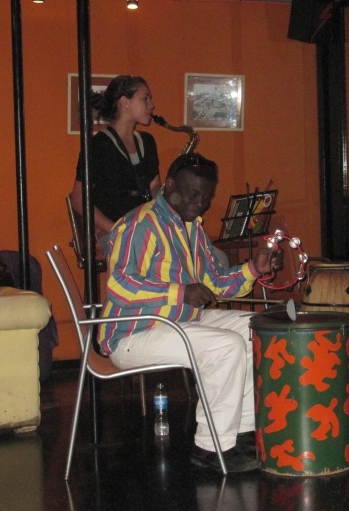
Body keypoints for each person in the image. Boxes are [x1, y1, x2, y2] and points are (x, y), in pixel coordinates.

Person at [99, 152, 282, 473]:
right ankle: (211, 447)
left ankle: (240, 433)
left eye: (206, 197)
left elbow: (215, 283)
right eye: (192, 194)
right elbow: (120, 285)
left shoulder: (191, 226)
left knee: (256, 328)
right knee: (225, 346)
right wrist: (181, 291)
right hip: (132, 334)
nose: (199, 203)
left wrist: (254, 269)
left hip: (177, 321)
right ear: (169, 185)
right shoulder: (142, 224)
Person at [70, 75, 162, 244]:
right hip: (112, 232)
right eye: (145, 98)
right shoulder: (98, 145)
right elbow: (78, 198)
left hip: (143, 229)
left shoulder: (147, 141)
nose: (151, 105)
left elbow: (154, 187)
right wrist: (117, 229)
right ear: (124, 102)